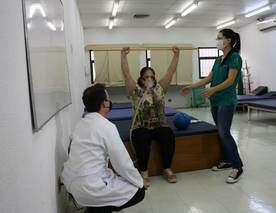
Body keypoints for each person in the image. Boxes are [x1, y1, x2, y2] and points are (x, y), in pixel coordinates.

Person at [61, 84, 146, 213]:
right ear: (103, 104)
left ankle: (95, 205)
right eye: (108, 99)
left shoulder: (80, 123)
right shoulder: (107, 127)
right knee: (139, 192)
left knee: (115, 179)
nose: (109, 102)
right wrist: (140, 181)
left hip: (71, 183)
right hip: (89, 187)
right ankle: (96, 209)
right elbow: (122, 163)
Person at [180, 29, 244, 184]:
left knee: (224, 132)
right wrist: (191, 86)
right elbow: (208, 78)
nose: (217, 40)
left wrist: (212, 90)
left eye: (219, 38)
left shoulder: (235, 58)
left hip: (226, 100)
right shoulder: (218, 59)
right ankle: (228, 160)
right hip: (215, 101)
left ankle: (237, 166)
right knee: (220, 132)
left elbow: (230, 81)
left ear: (228, 40)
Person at [121, 46, 180, 187]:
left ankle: (167, 168)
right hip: (140, 126)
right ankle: (144, 172)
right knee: (142, 138)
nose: (149, 79)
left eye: (151, 76)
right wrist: (123, 56)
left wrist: (176, 55)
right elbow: (126, 74)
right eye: (146, 77)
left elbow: (170, 71)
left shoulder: (160, 88)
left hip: (159, 126)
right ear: (141, 79)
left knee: (168, 135)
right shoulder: (135, 91)